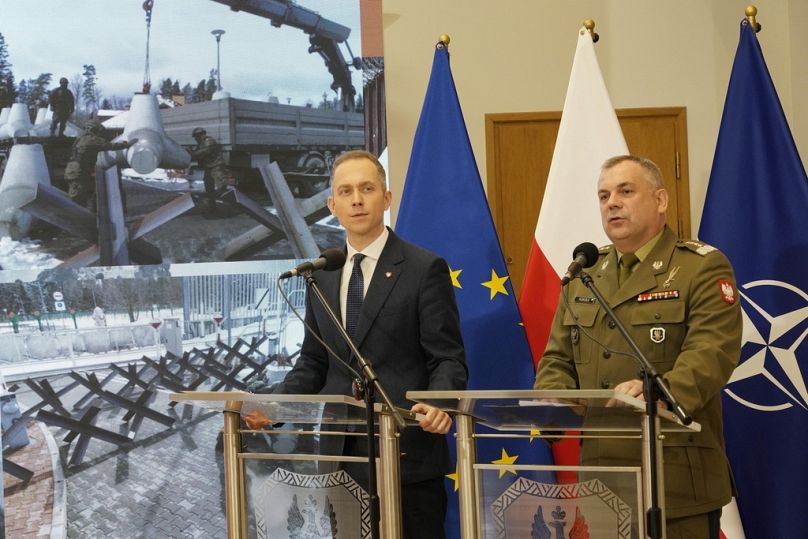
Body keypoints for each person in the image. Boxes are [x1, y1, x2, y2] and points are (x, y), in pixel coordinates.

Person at [250, 150, 468, 538]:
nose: (356, 200)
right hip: (341, 459)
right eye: (346, 191)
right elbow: (314, 362)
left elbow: (447, 357)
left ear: (386, 197)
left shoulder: (423, 269)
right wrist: (275, 404)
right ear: (332, 206)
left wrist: (439, 403)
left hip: (407, 455)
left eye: (367, 189)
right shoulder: (320, 274)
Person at [534, 155, 741, 539]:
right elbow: (558, 358)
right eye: (603, 196)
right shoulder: (584, 274)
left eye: (625, 191)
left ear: (660, 200)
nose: (612, 203)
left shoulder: (700, 267)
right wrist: (553, 400)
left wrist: (658, 391)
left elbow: (712, 352)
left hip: (675, 477)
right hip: (602, 481)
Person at [63, 120, 131, 212]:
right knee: (77, 198)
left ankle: (82, 214)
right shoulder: (91, 139)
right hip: (79, 172)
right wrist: (126, 145)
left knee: (81, 196)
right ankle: (73, 217)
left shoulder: (81, 138)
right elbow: (110, 145)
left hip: (74, 171)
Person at [188, 127, 233, 217]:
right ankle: (212, 208)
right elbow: (197, 154)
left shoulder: (209, 141)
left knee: (222, 187)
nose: (196, 139)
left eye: (196, 136)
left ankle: (232, 207)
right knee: (209, 189)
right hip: (209, 169)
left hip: (216, 167)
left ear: (201, 135)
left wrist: (192, 153)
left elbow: (203, 152)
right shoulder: (201, 144)